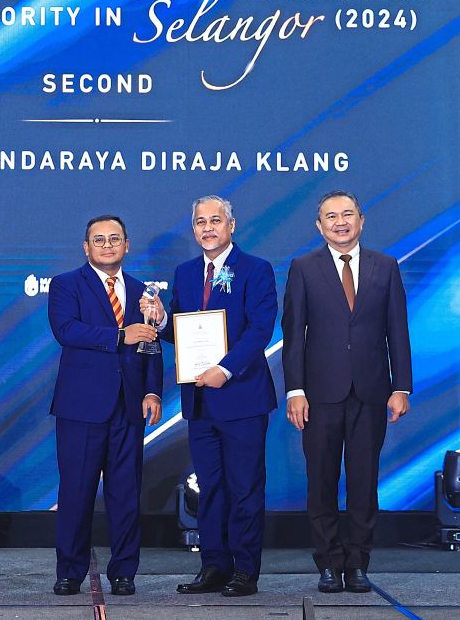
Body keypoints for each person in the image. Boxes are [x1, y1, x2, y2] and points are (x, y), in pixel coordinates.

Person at [145, 195, 277, 598]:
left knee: (244, 487)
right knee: (210, 487)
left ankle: (245, 570)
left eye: (215, 220)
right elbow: (183, 330)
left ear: (231, 225)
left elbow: (260, 330)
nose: (208, 228)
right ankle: (214, 566)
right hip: (200, 402)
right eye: (200, 222)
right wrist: (161, 320)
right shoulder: (186, 273)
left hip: (242, 398)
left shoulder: (255, 269)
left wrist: (225, 368)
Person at [282, 190, 413, 594]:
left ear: (361, 220)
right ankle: (328, 563)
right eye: (331, 216)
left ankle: (358, 563)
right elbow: (293, 335)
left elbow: (397, 330)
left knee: (363, 483)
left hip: (371, 393)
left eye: (347, 214)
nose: (340, 222)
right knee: (321, 481)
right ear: (319, 226)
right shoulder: (303, 268)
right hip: (319, 394)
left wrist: (401, 386)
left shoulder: (385, 266)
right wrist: (295, 390)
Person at [47, 215, 164, 597]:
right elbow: (66, 330)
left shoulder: (143, 291)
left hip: (129, 407)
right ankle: (69, 572)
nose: (108, 245)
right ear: (86, 247)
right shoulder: (66, 285)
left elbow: (151, 343)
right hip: (81, 407)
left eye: (115, 239)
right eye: (99, 240)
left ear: (127, 245)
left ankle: (124, 572)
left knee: (125, 494)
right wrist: (119, 335)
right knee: (76, 493)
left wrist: (152, 391)